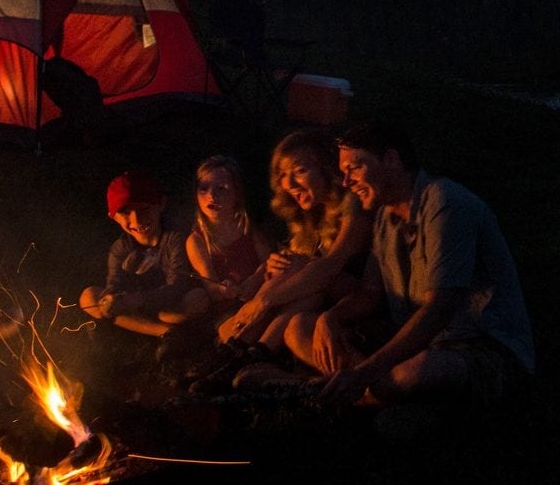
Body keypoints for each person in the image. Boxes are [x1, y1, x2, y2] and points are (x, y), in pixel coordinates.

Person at [283, 118, 535, 409]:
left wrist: (363, 371)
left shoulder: (445, 203)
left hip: (476, 347)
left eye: (355, 168)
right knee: (299, 328)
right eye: (343, 172)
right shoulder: (384, 217)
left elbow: (439, 308)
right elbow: (369, 293)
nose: (347, 182)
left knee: (419, 371)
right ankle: (374, 395)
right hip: (414, 342)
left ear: (390, 159)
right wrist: (332, 318)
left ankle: (330, 394)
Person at [188, 130, 372, 393]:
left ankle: (244, 351)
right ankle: (250, 352)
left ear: (325, 167)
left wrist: (262, 303)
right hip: (311, 301)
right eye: (283, 176)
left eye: (299, 170)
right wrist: (272, 266)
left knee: (304, 269)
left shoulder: (353, 203)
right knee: (291, 266)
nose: (289, 184)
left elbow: (330, 267)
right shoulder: (310, 215)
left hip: (355, 299)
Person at [78, 170, 210, 361]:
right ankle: (166, 333)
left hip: (170, 305)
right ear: (113, 216)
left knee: (198, 298)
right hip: (140, 308)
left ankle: (162, 328)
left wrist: (137, 299)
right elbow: (113, 282)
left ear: (160, 205)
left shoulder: (175, 238)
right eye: (125, 212)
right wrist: (109, 298)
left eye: (143, 209)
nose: (136, 220)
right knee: (88, 297)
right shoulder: (120, 248)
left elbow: (178, 285)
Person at [185, 154, 271, 327]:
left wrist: (254, 280)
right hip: (227, 309)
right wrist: (224, 289)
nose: (211, 195)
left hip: (261, 297)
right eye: (204, 188)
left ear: (236, 193)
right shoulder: (197, 240)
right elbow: (210, 286)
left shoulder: (248, 227)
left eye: (221, 188)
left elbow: (269, 261)